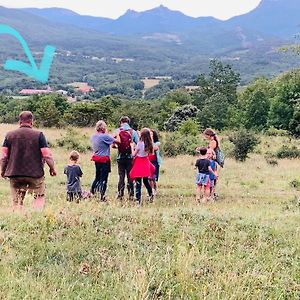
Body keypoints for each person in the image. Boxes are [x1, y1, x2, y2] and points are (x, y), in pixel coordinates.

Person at [0, 111, 57, 211]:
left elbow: (3, 156)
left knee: (17, 202)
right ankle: (36, 216)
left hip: (14, 173)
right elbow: (47, 155)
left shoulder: (9, 135)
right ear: (31, 122)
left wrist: (2, 170)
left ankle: (18, 218)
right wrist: (52, 168)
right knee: (39, 197)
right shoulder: (39, 135)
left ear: (19, 122)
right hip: (35, 174)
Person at [90, 120, 120, 201]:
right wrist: (117, 135)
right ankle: (102, 195)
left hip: (97, 158)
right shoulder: (105, 136)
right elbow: (118, 141)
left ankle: (92, 192)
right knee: (104, 178)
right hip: (104, 159)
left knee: (97, 177)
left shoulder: (93, 136)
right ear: (104, 128)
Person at [114, 116, 139, 200]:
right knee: (130, 176)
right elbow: (138, 143)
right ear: (128, 122)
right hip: (130, 157)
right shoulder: (133, 132)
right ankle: (131, 194)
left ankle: (120, 194)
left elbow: (113, 144)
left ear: (120, 122)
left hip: (120, 156)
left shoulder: (117, 131)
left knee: (121, 176)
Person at [130, 128, 155, 204]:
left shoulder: (140, 143)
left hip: (139, 162)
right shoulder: (149, 144)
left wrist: (131, 147)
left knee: (138, 182)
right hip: (146, 162)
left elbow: (134, 154)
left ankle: (138, 199)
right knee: (146, 181)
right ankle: (151, 195)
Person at [148, 129, 162, 195]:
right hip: (148, 161)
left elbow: (154, 148)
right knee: (149, 178)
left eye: (151, 134)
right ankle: (151, 191)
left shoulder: (157, 143)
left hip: (155, 161)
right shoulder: (146, 143)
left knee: (153, 178)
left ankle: (154, 190)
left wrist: (151, 140)